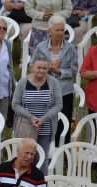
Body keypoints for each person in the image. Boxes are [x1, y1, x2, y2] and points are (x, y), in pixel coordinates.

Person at [31, 15, 78, 146]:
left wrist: (58, 71)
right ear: (49, 31)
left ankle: (63, 150)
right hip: (44, 89)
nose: (60, 33)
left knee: (64, 122)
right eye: (57, 30)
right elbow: (32, 65)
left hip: (64, 91)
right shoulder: (41, 47)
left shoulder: (70, 48)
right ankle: (43, 149)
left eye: (62, 30)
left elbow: (74, 71)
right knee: (45, 122)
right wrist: (48, 68)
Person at [12, 55, 62, 173]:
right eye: (38, 67)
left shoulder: (53, 83)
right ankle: (23, 183)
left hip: (45, 127)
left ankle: (40, 184)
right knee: (26, 158)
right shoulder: (23, 83)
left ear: (48, 69)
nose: (41, 71)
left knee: (42, 157)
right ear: (32, 67)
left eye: (44, 68)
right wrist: (31, 117)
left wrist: (43, 119)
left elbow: (59, 104)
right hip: (26, 126)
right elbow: (15, 104)